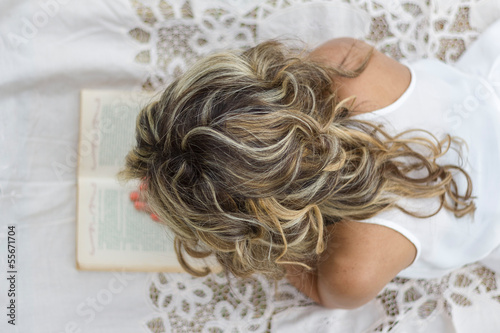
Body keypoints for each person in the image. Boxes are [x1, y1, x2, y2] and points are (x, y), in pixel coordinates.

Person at [120, 20, 500, 310]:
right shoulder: (344, 60)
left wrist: (208, 215)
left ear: (256, 232)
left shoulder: (352, 273)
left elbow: (314, 286)